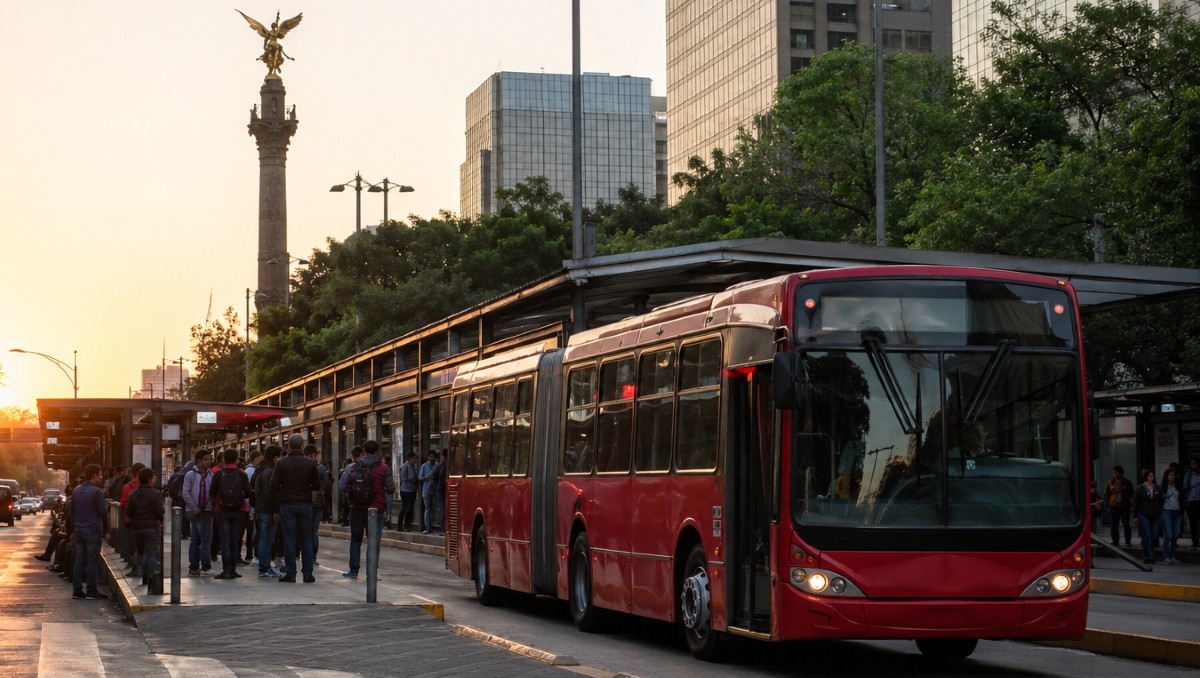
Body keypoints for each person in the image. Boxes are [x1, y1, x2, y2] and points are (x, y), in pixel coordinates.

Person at [340, 439, 395, 578]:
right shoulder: (384, 468)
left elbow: (341, 486)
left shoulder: (352, 467)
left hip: (357, 508)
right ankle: (372, 573)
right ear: (377, 452)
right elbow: (391, 489)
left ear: (363, 452)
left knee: (355, 539)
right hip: (376, 510)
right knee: (373, 542)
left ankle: (353, 570)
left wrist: (352, 495)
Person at [272, 433, 321, 583]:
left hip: (287, 504)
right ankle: (307, 573)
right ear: (302, 446)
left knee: (289, 539)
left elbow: (273, 485)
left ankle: (291, 573)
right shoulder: (311, 463)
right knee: (305, 539)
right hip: (305, 504)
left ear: (288, 446)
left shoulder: (281, 463)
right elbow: (317, 485)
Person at [212, 448, 251, 579]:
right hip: (239, 510)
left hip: (221, 510)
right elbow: (248, 492)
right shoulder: (241, 473)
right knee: (234, 541)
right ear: (236, 460)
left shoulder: (218, 474)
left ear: (223, 459)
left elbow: (212, 492)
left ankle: (226, 570)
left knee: (225, 541)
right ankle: (233, 569)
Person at [71, 464, 109, 599]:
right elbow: (103, 511)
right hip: (93, 530)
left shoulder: (76, 490)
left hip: (78, 529)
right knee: (92, 560)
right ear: (94, 476)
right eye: (100, 474)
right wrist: (106, 530)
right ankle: (91, 590)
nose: (101, 476)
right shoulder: (97, 492)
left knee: (79, 560)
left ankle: (77, 590)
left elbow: (72, 512)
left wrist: (72, 531)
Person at [124, 467, 164, 580]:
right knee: (150, 553)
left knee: (140, 552)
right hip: (151, 528)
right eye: (153, 477)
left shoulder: (132, 494)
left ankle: (140, 571)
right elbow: (160, 511)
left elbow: (128, 512)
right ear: (149, 479)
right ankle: (155, 575)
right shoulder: (155, 494)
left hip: (137, 529)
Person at [182, 451, 215, 576]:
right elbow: (185, 492)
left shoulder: (211, 475)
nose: (209, 462)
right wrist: (194, 508)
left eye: (210, 459)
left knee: (195, 539)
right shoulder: (191, 475)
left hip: (206, 509)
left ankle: (194, 566)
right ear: (199, 460)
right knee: (205, 540)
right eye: (206, 459)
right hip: (195, 511)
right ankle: (205, 566)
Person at [254, 446, 281, 577]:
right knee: (266, 539)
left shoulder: (259, 469)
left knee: (263, 538)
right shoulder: (269, 471)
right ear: (275, 457)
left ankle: (263, 567)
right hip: (267, 510)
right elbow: (269, 492)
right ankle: (264, 568)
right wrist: (275, 510)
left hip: (259, 509)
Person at [305, 444, 329, 566]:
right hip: (318, 502)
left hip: (305, 502)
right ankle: (313, 557)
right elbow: (325, 483)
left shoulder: (303, 466)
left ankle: (305, 555)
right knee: (314, 532)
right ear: (313, 455)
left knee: (305, 531)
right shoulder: (321, 468)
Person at [1132, 469, 1164, 564]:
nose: (1151, 478)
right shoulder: (1140, 488)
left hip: (1155, 514)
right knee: (1147, 535)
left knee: (1154, 535)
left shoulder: (1157, 488)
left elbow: (1161, 500)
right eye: (1149, 476)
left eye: (1152, 476)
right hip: (1143, 514)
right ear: (1145, 477)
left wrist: (1160, 511)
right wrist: (1135, 516)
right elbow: (1135, 502)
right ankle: (1147, 556)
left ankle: (1152, 555)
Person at [1103, 465, 1135, 547]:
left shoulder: (1127, 482)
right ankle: (1115, 541)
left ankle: (1128, 541)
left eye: (1115, 472)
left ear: (1120, 473)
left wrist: (1133, 506)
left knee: (1126, 523)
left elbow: (1132, 494)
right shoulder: (1110, 482)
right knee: (1114, 524)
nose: (1114, 474)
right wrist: (1106, 506)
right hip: (1113, 505)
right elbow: (1107, 494)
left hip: (1125, 506)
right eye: (1113, 472)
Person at [1160, 467, 1184, 564]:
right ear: (1166, 476)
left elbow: (1182, 499)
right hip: (1167, 511)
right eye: (1171, 475)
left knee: (1175, 535)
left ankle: (1172, 555)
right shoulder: (1163, 487)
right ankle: (1166, 557)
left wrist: (1184, 511)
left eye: (1174, 475)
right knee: (1169, 535)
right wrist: (1160, 513)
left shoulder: (1178, 486)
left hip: (1177, 511)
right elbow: (1160, 500)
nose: (1172, 477)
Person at [244, 449, 262, 563]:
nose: (260, 461)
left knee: (251, 531)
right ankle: (253, 553)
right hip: (253, 506)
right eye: (259, 458)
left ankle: (249, 554)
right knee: (254, 531)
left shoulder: (246, 471)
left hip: (249, 505)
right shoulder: (252, 471)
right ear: (254, 459)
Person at [419, 450, 439, 534]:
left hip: (434, 490)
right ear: (428, 457)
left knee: (433, 509)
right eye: (430, 456)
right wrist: (425, 478)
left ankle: (431, 525)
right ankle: (427, 527)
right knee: (427, 508)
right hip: (426, 489)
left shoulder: (437, 466)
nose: (432, 458)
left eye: (433, 456)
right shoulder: (424, 466)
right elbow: (419, 477)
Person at [398, 452, 418, 531]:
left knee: (410, 508)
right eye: (414, 458)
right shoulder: (405, 466)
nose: (415, 460)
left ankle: (407, 524)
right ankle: (401, 525)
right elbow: (403, 478)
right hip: (406, 490)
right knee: (406, 508)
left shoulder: (413, 467)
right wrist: (412, 480)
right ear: (410, 458)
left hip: (412, 490)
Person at [1184, 457, 1200, 551]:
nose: (1192, 465)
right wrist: (1196, 482)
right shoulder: (1189, 474)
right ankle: (1195, 543)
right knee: (1193, 522)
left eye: (1194, 463)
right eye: (1191, 463)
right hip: (1192, 500)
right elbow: (1185, 487)